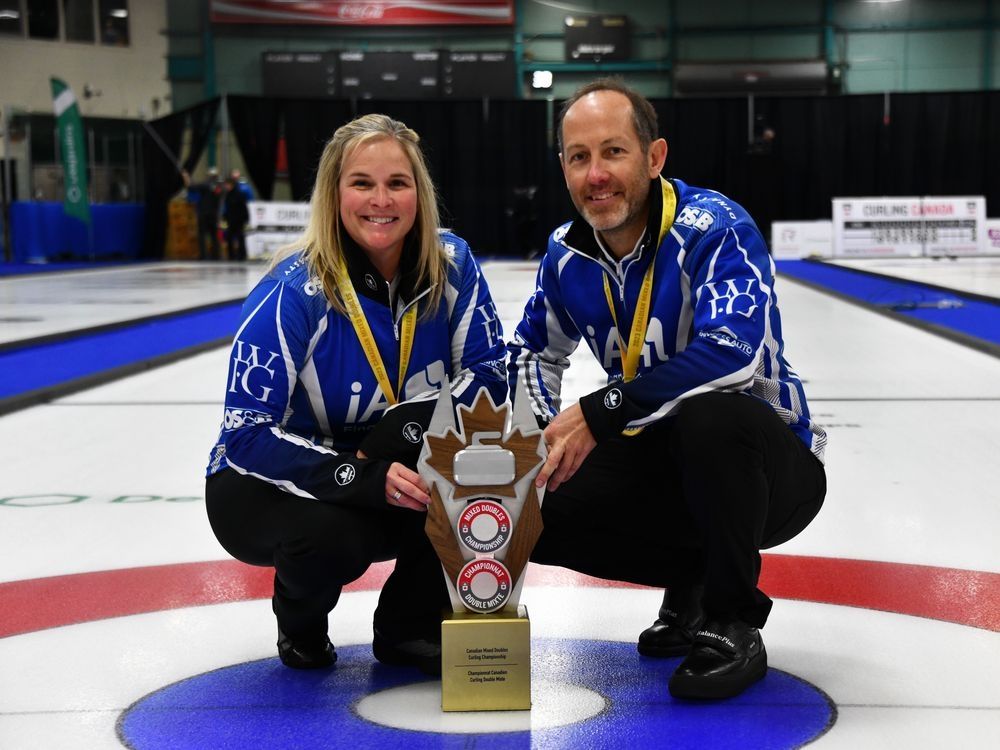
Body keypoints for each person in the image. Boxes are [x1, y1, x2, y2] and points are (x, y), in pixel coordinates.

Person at [507, 78, 827, 700]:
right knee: (530, 508)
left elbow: (731, 356)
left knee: (713, 419)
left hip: (770, 469)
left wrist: (602, 409)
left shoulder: (716, 228)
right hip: (662, 456)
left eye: (613, 152)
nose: (595, 174)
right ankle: (695, 579)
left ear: (654, 158)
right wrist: (533, 442)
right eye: (579, 157)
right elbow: (531, 353)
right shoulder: (565, 255)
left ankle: (732, 620)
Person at [204, 114, 507, 674]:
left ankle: (408, 627)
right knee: (331, 536)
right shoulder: (293, 290)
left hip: (387, 464)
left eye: (398, 183)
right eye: (361, 183)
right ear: (333, 194)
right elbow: (245, 435)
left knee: (482, 465)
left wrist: (398, 434)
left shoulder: (452, 264)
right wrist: (357, 472)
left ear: (420, 192)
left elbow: (491, 374)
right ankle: (299, 621)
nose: (380, 200)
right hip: (268, 484)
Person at [183, 167, 223, 260]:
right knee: (214, 236)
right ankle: (216, 256)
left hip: (203, 214)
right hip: (214, 214)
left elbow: (191, 187)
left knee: (202, 235)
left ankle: (203, 256)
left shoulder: (205, 185)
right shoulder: (220, 187)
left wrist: (186, 178)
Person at [222, 175, 249, 260]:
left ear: (231, 184)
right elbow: (227, 208)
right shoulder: (227, 195)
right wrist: (225, 217)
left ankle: (242, 256)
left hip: (239, 221)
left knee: (240, 238)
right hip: (230, 220)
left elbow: (244, 208)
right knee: (229, 238)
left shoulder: (239, 194)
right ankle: (231, 256)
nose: (226, 186)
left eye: (227, 184)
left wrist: (245, 218)